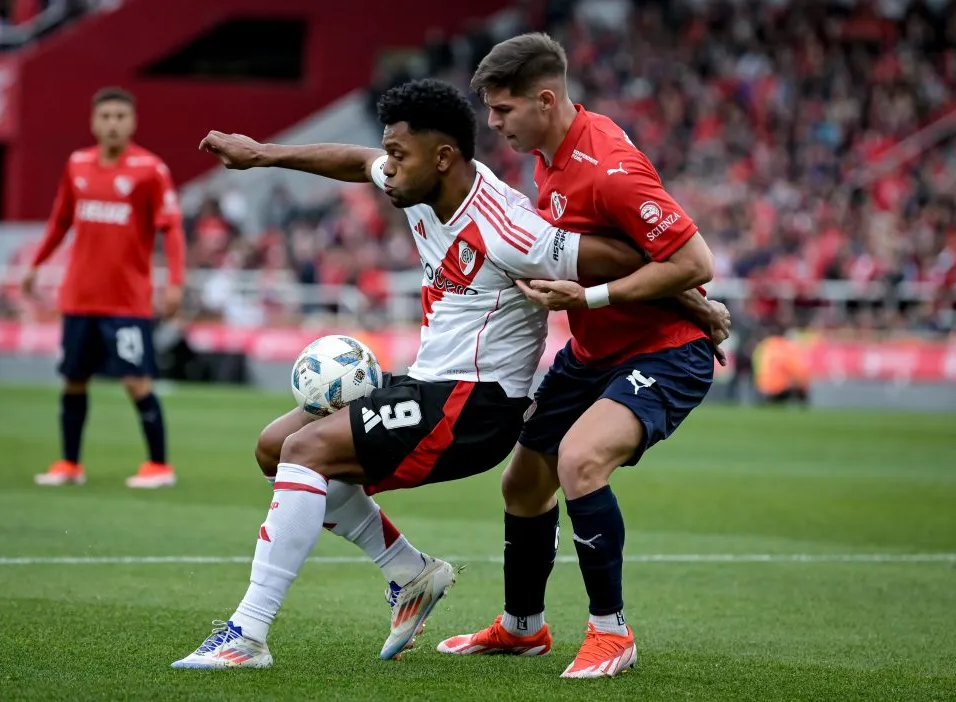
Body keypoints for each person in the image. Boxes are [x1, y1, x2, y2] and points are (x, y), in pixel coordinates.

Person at [172, 78, 726, 669]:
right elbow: (356, 161)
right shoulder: (412, 183)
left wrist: (693, 302)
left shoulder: (509, 228)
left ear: (442, 159)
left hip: (475, 405)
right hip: (430, 384)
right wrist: (260, 155)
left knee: (306, 451)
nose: (387, 169)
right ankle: (409, 573)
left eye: (400, 157)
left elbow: (628, 255)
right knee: (275, 447)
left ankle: (246, 635)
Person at [436, 33, 721, 679]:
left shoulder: (610, 168)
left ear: (545, 99)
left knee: (581, 460)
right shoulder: (550, 158)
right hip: (596, 353)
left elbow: (695, 261)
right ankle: (522, 629)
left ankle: (611, 633)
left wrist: (592, 296)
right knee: (523, 482)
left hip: (665, 352)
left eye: (504, 110)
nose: (493, 122)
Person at [23, 87, 185, 489]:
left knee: (136, 382)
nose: (113, 123)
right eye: (106, 116)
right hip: (79, 297)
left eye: (120, 117)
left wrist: (175, 282)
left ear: (132, 122)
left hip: (126, 302)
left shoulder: (150, 170)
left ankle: (159, 466)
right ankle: (69, 463)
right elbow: (60, 222)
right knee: (73, 379)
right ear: (94, 122)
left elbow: (173, 229)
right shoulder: (77, 165)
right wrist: (36, 264)